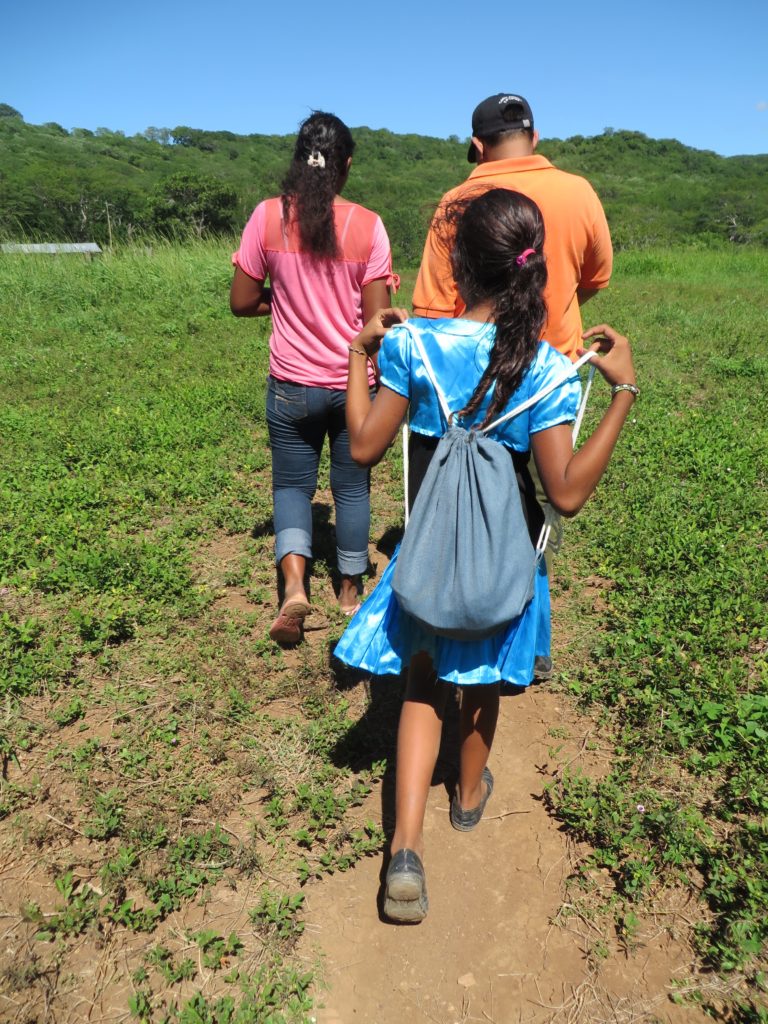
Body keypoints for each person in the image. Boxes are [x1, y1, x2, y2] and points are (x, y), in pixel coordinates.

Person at [335, 189, 638, 923]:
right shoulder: (545, 371)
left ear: (456, 265)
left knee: (419, 682)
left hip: (429, 556)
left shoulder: (413, 346)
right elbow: (564, 493)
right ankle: (468, 798)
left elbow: (365, 447)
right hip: (504, 561)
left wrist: (357, 355)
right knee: (483, 686)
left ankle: (404, 850)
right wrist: (622, 390)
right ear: (530, 274)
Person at [230, 112, 397, 644]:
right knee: (351, 489)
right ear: (346, 165)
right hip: (353, 386)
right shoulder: (368, 226)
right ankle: (349, 591)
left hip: (290, 386)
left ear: (298, 161)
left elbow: (240, 301)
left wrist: (283, 302)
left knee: (291, 487)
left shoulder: (265, 218)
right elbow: (378, 324)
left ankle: (294, 588)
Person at [412, 93, 613, 360]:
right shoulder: (579, 191)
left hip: (476, 371)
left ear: (478, 146)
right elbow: (595, 279)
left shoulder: (456, 203)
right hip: (558, 371)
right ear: (534, 138)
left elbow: (432, 311)